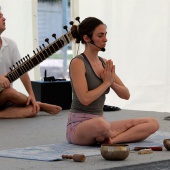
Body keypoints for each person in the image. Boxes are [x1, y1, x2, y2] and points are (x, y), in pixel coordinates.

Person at [66, 17, 159, 146]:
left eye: (105, 35)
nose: (105, 39)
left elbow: (126, 95)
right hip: (80, 126)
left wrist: (111, 82)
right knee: (101, 125)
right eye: (100, 35)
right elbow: (85, 99)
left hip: (101, 122)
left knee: (153, 123)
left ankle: (112, 140)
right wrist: (106, 83)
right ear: (87, 38)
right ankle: (117, 134)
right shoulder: (78, 63)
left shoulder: (104, 63)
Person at [0, 11, 62, 118]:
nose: (4, 18)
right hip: (7, 93)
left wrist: (31, 95)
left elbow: (22, 71)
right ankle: (39, 105)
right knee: (10, 92)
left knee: (32, 110)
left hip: (3, 96)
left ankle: (35, 104)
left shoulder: (10, 44)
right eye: (0, 16)